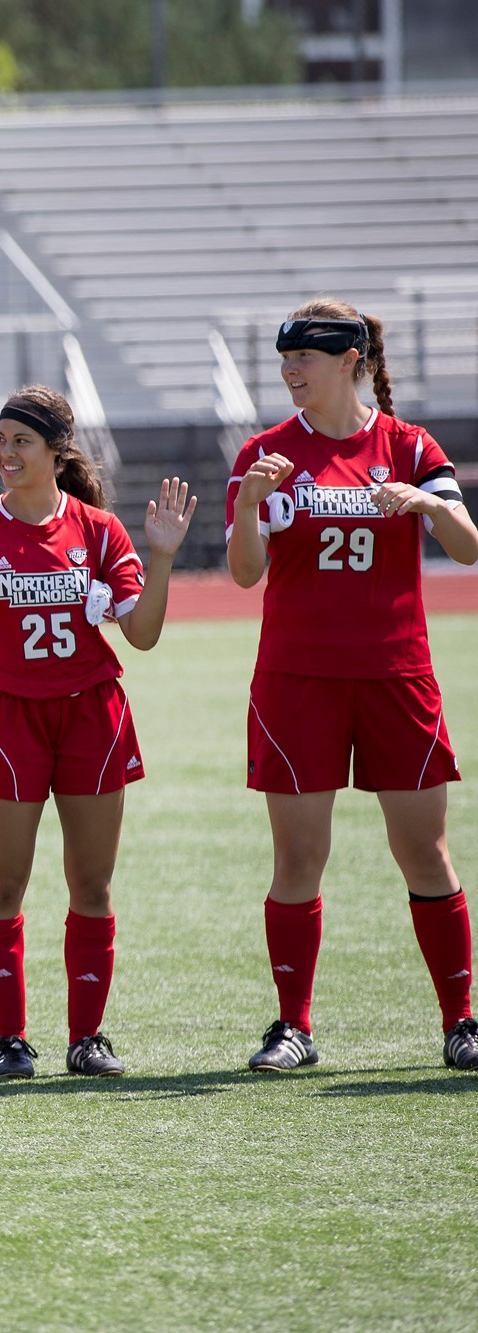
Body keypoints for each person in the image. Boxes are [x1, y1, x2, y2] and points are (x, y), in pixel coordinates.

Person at [0, 386, 197, 1079]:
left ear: (57, 451)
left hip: (92, 714)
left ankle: (88, 1037)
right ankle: (11, 1039)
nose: (6, 453)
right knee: (4, 885)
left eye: (20, 441)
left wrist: (164, 558)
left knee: (91, 884)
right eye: (0, 439)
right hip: (8, 719)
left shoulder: (97, 529)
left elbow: (142, 635)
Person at [225, 299, 478, 1074]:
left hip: (396, 674)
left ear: (350, 361)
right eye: (284, 361)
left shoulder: (407, 444)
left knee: (425, 853)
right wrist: (246, 504)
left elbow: (467, 549)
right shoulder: (267, 451)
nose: (290, 373)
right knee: (298, 858)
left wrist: (428, 501)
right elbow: (243, 573)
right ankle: (292, 1027)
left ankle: (461, 1021)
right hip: (297, 679)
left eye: (304, 358)